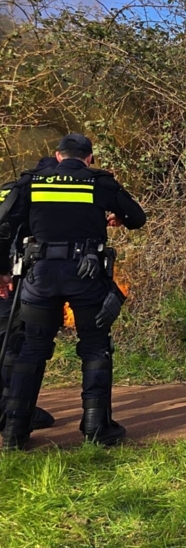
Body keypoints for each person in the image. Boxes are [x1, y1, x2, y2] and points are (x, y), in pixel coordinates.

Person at [0, 134, 146, 450]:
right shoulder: (99, 182)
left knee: (32, 349)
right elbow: (137, 218)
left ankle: (14, 431)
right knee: (95, 347)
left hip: (41, 276)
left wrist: (2, 271)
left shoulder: (31, 181)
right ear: (89, 158)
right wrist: (111, 214)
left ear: (57, 155)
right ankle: (96, 429)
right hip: (86, 274)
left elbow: (3, 223)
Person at [0, 157, 59, 433]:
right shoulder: (34, 190)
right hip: (9, 278)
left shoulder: (10, 187)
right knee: (15, 340)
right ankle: (12, 409)